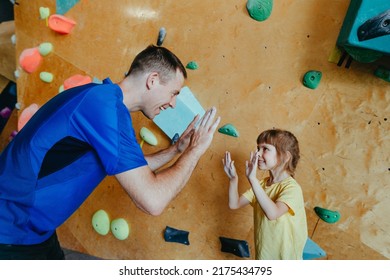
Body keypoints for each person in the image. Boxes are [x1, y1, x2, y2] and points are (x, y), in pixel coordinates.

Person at [0, 45, 221, 259]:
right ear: (152, 80)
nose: (173, 104)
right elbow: (152, 201)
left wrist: (176, 150)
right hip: (10, 228)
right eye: (173, 93)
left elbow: (134, 172)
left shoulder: (103, 100)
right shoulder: (105, 108)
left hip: (35, 230)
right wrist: (196, 150)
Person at [222, 129, 307, 260]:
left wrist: (252, 179)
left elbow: (272, 213)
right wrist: (233, 180)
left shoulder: (292, 188)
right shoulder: (262, 185)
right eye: (258, 148)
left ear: (285, 156)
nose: (257, 154)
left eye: (265, 149)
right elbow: (234, 204)